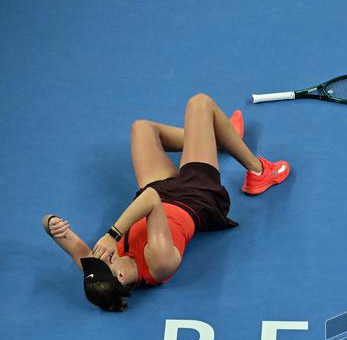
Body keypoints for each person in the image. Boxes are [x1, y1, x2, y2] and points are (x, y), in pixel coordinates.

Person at [42, 92, 290, 311]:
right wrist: (113, 235)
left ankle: (221, 138)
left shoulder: (99, 270)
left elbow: (70, 245)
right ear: (119, 275)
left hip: (162, 190)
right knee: (200, 103)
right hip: (195, 196)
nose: (100, 256)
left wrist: (51, 224)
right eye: (105, 261)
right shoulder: (159, 263)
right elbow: (151, 201)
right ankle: (259, 172)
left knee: (142, 128)